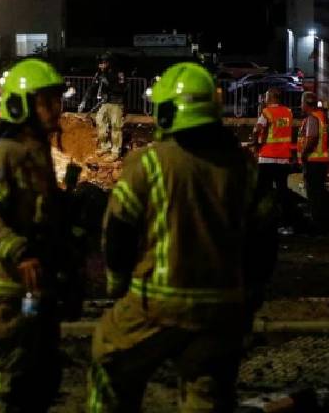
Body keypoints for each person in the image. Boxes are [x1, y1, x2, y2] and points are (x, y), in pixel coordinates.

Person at [87, 62, 277, 412]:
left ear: (166, 111)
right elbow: (263, 243)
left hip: (156, 305)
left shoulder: (149, 163)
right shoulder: (244, 168)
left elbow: (118, 232)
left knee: (109, 359)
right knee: (208, 393)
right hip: (222, 309)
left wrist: (118, 285)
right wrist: (248, 297)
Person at [0, 58, 68, 413]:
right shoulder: (0, 157)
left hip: (36, 292)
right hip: (7, 297)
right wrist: (19, 252)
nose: (57, 109)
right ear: (21, 105)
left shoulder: (38, 155)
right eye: (47, 101)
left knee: (40, 380)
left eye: (57, 99)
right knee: (2, 384)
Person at [252, 88, 298, 232]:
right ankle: (287, 222)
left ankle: (262, 221)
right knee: (282, 191)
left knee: (262, 191)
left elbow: (257, 130)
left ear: (271, 97)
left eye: (266, 96)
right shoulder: (288, 112)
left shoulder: (266, 112)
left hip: (267, 158)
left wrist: (256, 144)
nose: (264, 98)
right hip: (283, 158)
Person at [80, 53, 126, 159]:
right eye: (100, 63)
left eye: (103, 63)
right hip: (105, 103)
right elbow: (92, 87)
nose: (100, 66)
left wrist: (108, 84)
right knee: (99, 121)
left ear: (109, 63)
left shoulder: (118, 73)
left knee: (116, 126)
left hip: (116, 103)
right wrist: (84, 100)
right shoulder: (100, 73)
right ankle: (105, 146)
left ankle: (115, 152)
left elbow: (121, 88)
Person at [297, 91, 329, 232]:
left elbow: (312, 138)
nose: (300, 105)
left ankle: (316, 225)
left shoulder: (312, 118)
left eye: (301, 102)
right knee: (319, 194)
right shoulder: (321, 116)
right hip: (321, 161)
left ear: (305, 104)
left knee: (313, 195)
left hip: (313, 161)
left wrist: (304, 155)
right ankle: (321, 223)